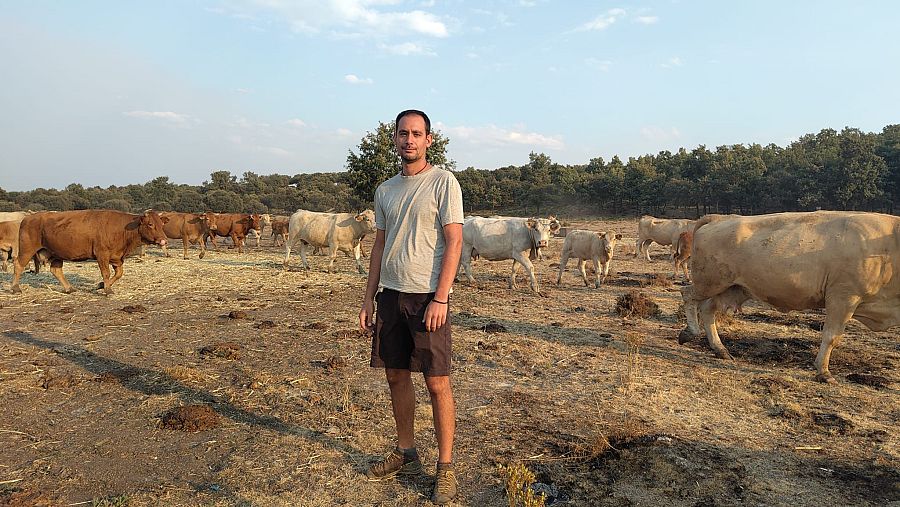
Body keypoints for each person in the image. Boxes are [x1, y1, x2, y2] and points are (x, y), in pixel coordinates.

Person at [358, 109, 464, 505]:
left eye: (417, 134)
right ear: (395, 139)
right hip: (390, 296)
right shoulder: (385, 190)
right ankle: (406, 453)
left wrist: (441, 297)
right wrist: (368, 297)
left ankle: (445, 467)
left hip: (427, 298)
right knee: (395, 376)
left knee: (437, 382)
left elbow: (454, 241)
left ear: (428, 140)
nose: (409, 140)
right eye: (403, 133)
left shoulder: (443, 182)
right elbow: (379, 245)